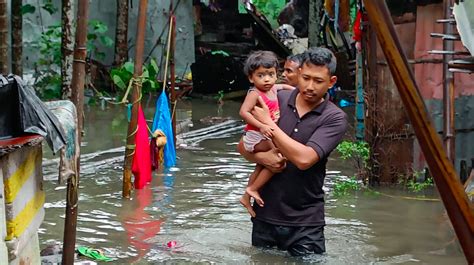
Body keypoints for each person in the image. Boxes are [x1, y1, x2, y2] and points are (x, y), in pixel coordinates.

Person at [237, 47, 348, 256]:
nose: (310, 86)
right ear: (298, 74)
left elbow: (305, 159)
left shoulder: (334, 118)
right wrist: (263, 157)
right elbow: (243, 146)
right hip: (264, 215)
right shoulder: (276, 99)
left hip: (306, 222)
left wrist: (269, 123)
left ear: (331, 82)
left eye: (318, 81)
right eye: (305, 78)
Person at [239, 50, 294, 217]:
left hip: (263, 135)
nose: (267, 79)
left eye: (271, 74)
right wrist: (261, 126)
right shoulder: (255, 93)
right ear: (251, 78)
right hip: (255, 136)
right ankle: (253, 189)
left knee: (262, 165)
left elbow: (284, 86)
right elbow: (244, 112)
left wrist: (298, 92)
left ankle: (246, 197)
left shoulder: (274, 89)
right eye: (261, 75)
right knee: (278, 158)